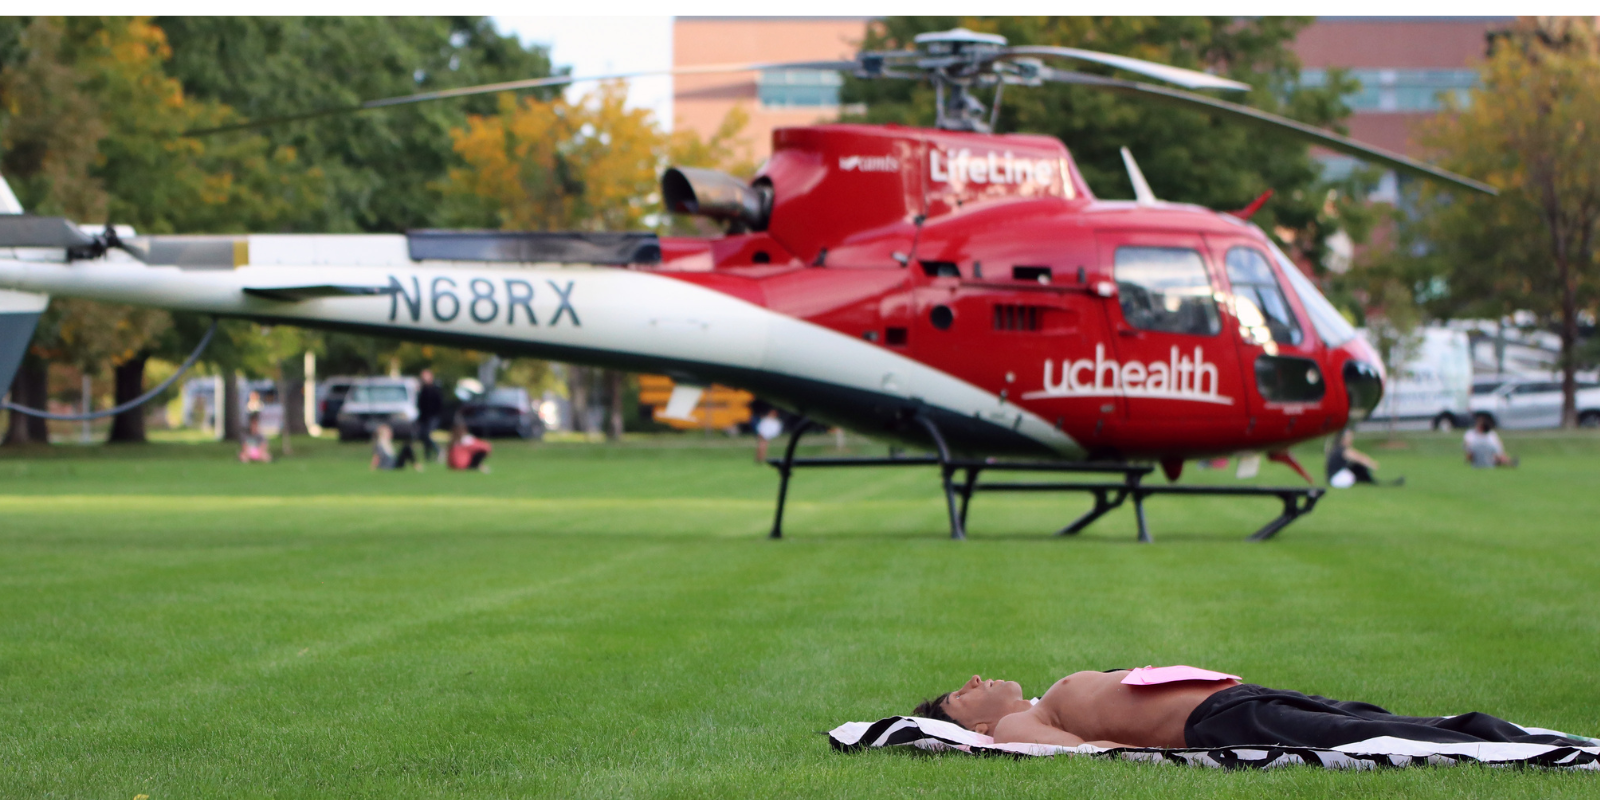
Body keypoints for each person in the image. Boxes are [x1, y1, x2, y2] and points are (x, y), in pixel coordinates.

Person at [913, 667, 1587, 750]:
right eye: (960, 695)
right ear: (974, 724)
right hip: (1214, 721)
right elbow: (1076, 751)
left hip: (1230, 696)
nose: (973, 679)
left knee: (1367, 718)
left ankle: (1493, 735)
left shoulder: (1039, 703)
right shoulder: (1011, 724)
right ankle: (1497, 743)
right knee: (1365, 732)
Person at [1324, 429, 1402, 487]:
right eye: (1349, 438)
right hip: (1335, 478)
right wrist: (1371, 464)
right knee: (1352, 475)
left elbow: (1357, 455)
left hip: (1334, 476)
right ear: (1343, 439)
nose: (1351, 440)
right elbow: (1358, 457)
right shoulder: (1342, 450)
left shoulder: (1340, 449)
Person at [416, 368, 444, 462]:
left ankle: (439, 450)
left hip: (433, 417)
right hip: (424, 417)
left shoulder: (435, 389)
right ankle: (427, 456)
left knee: (427, 435)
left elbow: (439, 404)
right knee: (423, 436)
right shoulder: (422, 390)